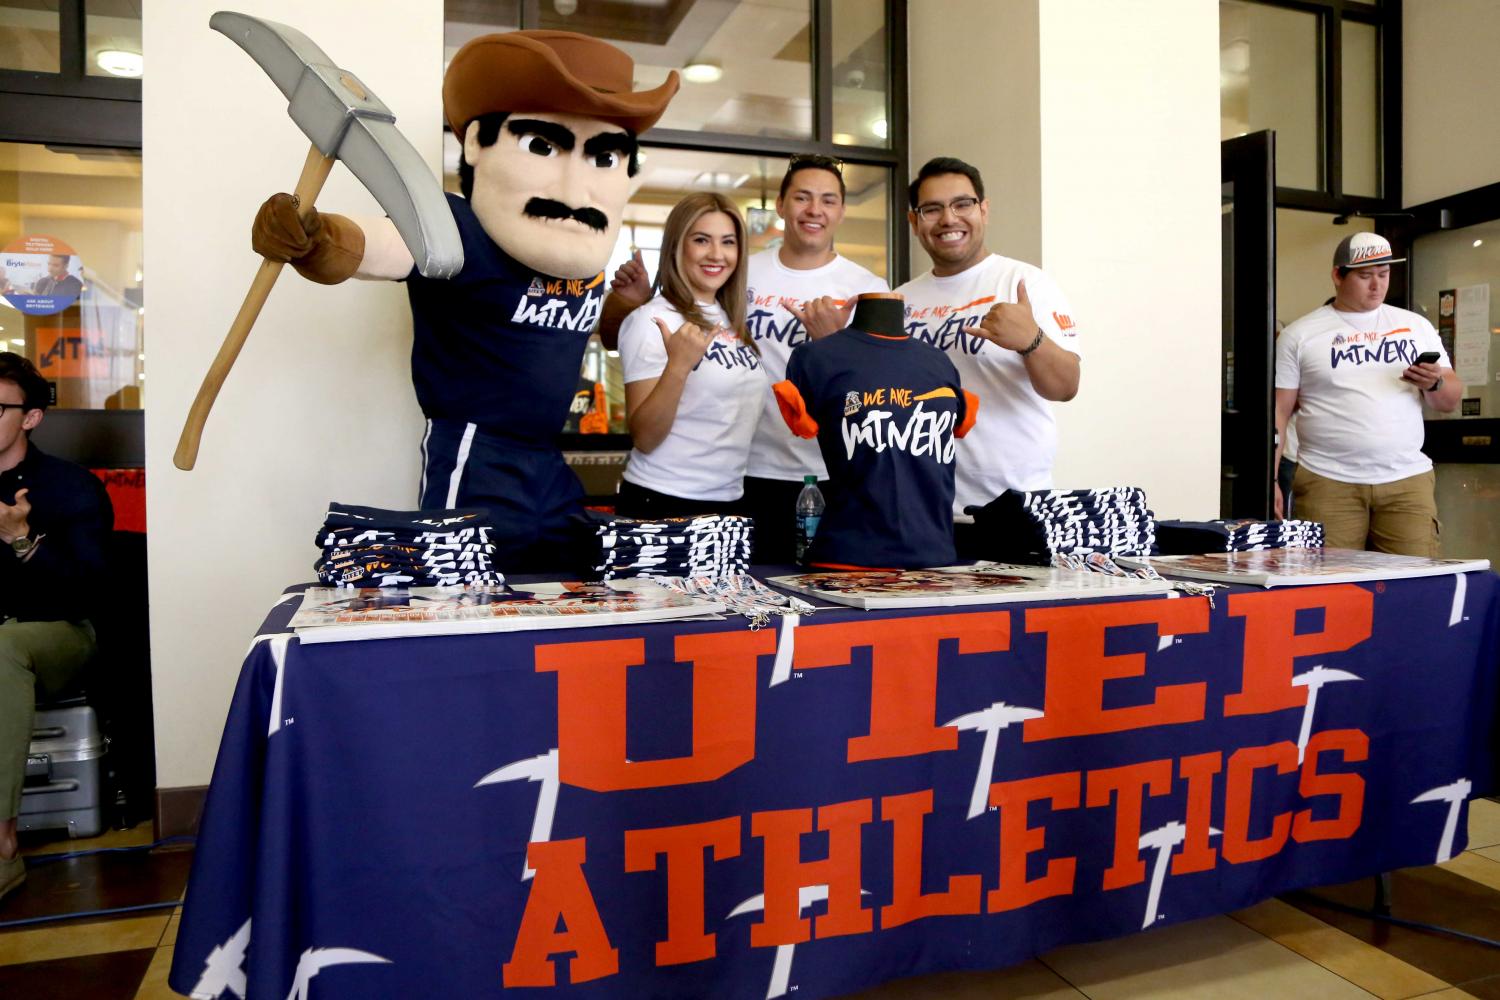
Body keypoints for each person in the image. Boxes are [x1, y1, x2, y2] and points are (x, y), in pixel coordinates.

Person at [251, 31, 679, 571]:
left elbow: (574, 329)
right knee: (463, 596)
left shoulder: (582, 257)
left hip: (550, 462)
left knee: (567, 592)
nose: (575, 185)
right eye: (543, 146)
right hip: (477, 456)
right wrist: (313, 237)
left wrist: (625, 307)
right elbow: (379, 245)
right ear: (477, 142)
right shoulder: (459, 228)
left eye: (603, 155)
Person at [894, 157, 1082, 528]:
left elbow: (1065, 387)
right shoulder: (899, 300)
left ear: (983, 210)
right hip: (921, 508)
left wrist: (1031, 340)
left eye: (962, 204)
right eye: (932, 209)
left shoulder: (1024, 283)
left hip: (1014, 508)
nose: (949, 218)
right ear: (914, 221)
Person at [0, 353, 112, 902]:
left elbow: (84, 592)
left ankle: (1, 843)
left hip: (59, 633)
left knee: (1, 646)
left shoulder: (70, 486)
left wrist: (21, 542)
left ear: (29, 418)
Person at [1274, 232, 1461, 554]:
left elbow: (1449, 400)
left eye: (1383, 275)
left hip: (1407, 479)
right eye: (1365, 276)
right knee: (1329, 584)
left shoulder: (1415, 326)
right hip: (1327, 480)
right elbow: (1279, 410)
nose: (1377, 285)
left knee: (1416, 582)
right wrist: (1272, 478)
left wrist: (1435, 383)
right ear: (1337, 275)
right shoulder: (1299, 335)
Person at [742, 155, 888, 561]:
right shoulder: (743, 274)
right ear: (781, 205)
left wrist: (832, 342)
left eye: (827, 200)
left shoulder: (867, 286)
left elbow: (881, 388)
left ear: (840, 210)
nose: (814, 210)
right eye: (802, 197)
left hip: (834, 472)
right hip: (749, 469)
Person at [615, 193, 766, 517]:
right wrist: (678, 367)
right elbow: (645, 437)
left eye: (728, 242)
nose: (717, 254)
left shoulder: (729, 318)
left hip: (729, 502)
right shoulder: (651, 320)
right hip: (663, 501)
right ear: (677, 246)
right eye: (701, 240)